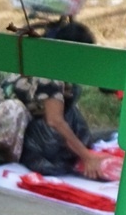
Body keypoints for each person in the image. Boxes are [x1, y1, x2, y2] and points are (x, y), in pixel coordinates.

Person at [6, 19, 108, 179]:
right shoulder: (50, 72)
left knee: (71, 108)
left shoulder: (58, 66)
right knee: (52, 146)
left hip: (36, 116)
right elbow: (54, 120)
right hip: (11, 123)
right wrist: (86, 156)